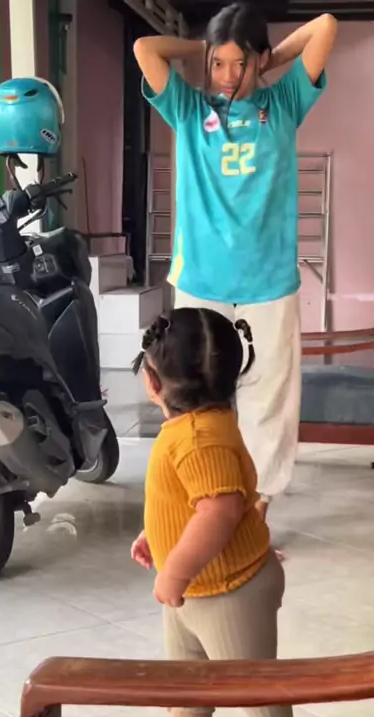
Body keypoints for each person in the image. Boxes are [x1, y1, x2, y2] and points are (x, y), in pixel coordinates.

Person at [134, 4, 337, 523]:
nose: (226, 76)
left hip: (268, 283)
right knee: (195, 392)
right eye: (217, 64)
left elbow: (325, 27)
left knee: (268, 396)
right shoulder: (187, 109)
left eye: (238, 64)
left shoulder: (284, 103)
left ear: (259, 60)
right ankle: (205, 495)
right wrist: (202, 48)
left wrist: (269, 61)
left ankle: (256, 507)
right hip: (201, 281)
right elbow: (145, 49)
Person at [131, 308, 302, 717]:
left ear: (152, 382)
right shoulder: (204, 425)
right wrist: (156, 533)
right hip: (198, 586)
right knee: (186, 667)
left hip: (232, 590)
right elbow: (189, 498)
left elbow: (221, 510)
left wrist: (176, 570)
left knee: (253, 681)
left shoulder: (196, 438)